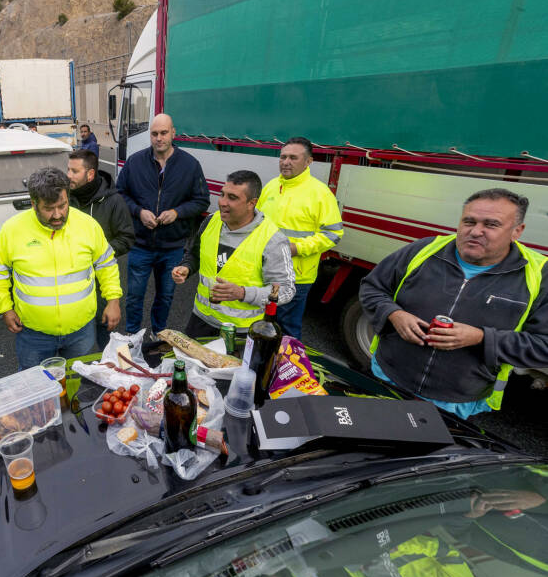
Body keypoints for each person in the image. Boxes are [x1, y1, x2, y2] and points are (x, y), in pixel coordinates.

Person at [360, 188, 548, 418]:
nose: (475, 231)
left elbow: (543, 346)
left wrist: (481, 338)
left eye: (491, 225)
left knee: (422, 453)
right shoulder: (425, 249)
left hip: (453, 402)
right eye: (469, 221)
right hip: (387, 375)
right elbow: (372, 287)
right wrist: (393, 314)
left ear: (517, 231)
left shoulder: (539, 275)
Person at [0, 168, 122, 369]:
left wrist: (113, 300)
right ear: (34, 204)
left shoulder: (88, 225)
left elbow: (106, 263)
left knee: (77, 383)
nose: (57, 214)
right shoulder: (12, 230)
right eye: (49, 208)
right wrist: (5, 308)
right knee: (35, 387)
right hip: (33, 334)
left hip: (81, 330)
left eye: (63, 205)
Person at [116, 113, 210, 338]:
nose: (159, 138)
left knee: (166, 295)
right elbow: (120, 194)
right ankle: (133, 336)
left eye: (164, 133)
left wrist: (177, 213)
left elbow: (202, 200)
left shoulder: (190, 164)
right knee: (135, 296)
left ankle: (158, 333)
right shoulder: (135, 162)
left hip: (173, 246)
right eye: (154, 133)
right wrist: (139, 212)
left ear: (173, 133)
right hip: (140, 244)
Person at [172, 170, 295, 337]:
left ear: (252, 203)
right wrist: (186, 267)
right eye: (222, 194)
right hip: (200, 320)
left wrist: (243, 293)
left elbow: (286, 290)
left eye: (232, 197)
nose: (222, 202)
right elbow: (195, 254)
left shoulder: (272, 240)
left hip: (241, 332)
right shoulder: (210, 221)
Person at [257, 136, 343, 339]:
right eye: (283, 157)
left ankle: (288, 369)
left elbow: (333, 234)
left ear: (309, 161)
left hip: (296, 276)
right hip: (263, 270)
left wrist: (297, 248)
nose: (286, 162)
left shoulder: (320, 193)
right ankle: (262, 368)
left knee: (287, 331)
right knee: (261, 326)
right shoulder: (271, 186)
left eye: (293, 158)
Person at [66, 149, 135, 348]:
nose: (68, 175)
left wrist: (99, 254)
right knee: (76, 339)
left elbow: (127, 237)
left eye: (74, 171)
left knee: (105, 335)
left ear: (90, 174)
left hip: (102, 282)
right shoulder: (65, 199)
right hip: (71, 283)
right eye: (68, 170)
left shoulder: (113, 201)